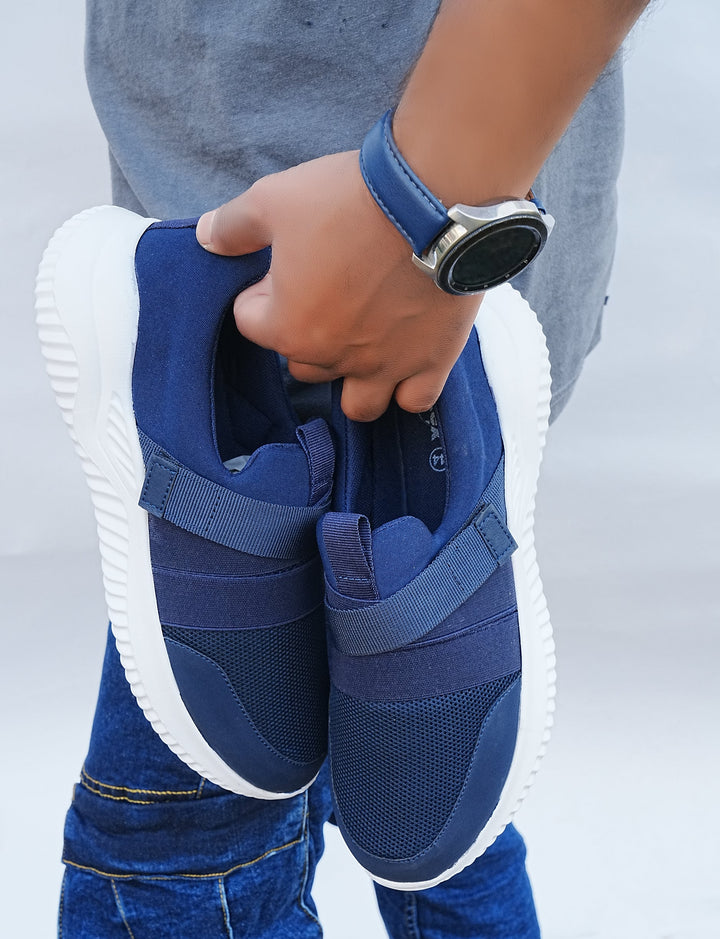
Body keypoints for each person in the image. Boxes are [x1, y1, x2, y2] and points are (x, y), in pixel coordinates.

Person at [55, 1, 650, 935]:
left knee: (182, 847)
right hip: (402, 241)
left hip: (349, 265)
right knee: (427, 805)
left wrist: (422, 207)